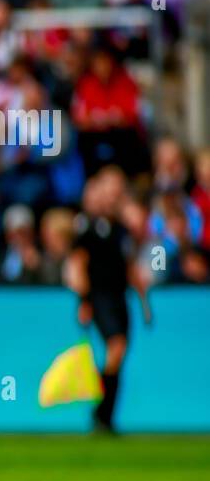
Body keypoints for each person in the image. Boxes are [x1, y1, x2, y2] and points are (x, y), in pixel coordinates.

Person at [67, 166, 152, 434]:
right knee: (116, 347)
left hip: (119, 297)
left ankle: (106, 415)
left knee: (120, 350)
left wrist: (144, 302)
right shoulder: (88, 228)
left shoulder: (121, 230)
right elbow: (79, 265)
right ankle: (102, 410)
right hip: (101, 296)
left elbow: (130, 267)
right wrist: (84, 300)